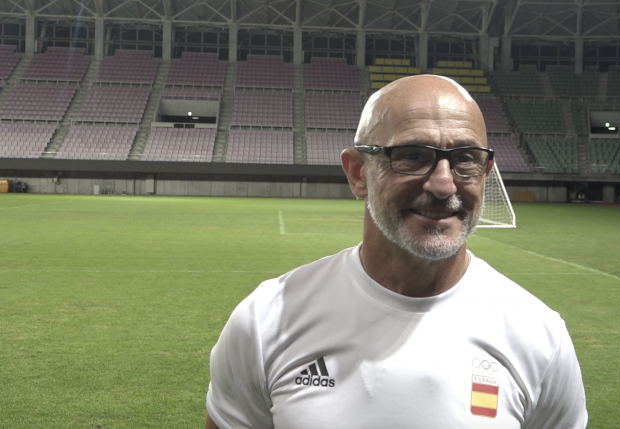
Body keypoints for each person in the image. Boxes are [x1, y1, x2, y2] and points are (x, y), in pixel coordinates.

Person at [205, 75, 588, 429]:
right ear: (358, 173)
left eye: (465, 159)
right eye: (412, 155)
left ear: (485, 173)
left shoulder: (539, 338)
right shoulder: (266, 320)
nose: (443, 185)